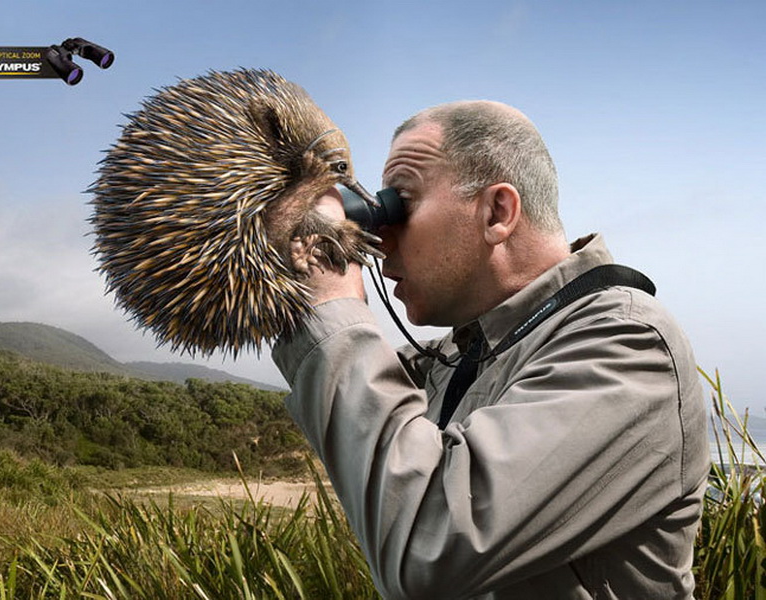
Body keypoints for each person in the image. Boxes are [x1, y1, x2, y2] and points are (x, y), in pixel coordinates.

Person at [272, 100, 710, 599]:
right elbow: (360, 413)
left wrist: (331, 301)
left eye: (401, 204)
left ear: (497, 213)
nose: (380, 238)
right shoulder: (463, 358)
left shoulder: (627, 346)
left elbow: (428, 543)